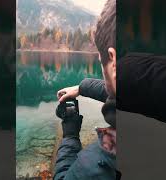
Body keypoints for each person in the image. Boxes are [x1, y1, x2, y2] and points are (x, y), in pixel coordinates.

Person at [53, 0, 118, 179]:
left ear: (113, 61)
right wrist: (83, 87)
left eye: (101, 62)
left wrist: (70, 135)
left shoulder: (108, 151)